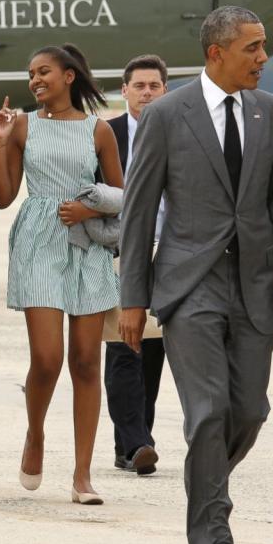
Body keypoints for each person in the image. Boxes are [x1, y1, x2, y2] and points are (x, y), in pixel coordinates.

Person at [118, 7, 273, 544]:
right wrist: (133, 296)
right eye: (252, 47)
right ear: (216, 53)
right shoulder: (165, 114)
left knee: (249, 411)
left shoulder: (270, 112)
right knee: (208, 412)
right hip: (188, 283)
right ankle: (214, 537)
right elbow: (136, 212)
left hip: (255, 284)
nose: (262, 58)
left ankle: (203, 483)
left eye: (263, 46)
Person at [0, 44, 124, 505]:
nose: (34, 80)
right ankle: (35, 435)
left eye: (43, 72)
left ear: (69, 76)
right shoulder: (23, 124)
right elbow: (4, 197)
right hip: (38, 242)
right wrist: (2, 141)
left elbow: (122, 197)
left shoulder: (99, 130)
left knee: (86, 362)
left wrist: (88, 205)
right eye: (31, 75)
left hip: (86, 244)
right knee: (47, 359)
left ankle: (83, 475)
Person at [103, 54, 169, 476]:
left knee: (153, 350)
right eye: (139, 86)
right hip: (117, 253)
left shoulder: (181, 130)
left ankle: (133, 440)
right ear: (124, 91)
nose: (146, 92)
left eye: (154, 86)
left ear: (165, 90)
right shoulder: (105, 134)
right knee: (122, 346)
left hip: (169, 253)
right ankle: (135, 443)